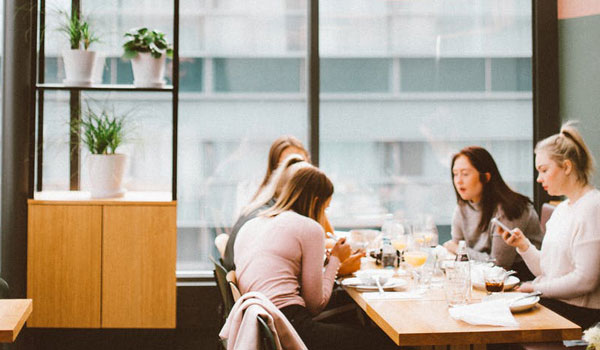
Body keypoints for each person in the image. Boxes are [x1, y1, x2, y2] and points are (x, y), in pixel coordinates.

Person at [234, 167, 396, 350]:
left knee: (354, 322)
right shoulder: (308, 227)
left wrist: (328, 263)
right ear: (316, 202)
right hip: (289, 326)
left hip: (261, 324)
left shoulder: (251, 225)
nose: (324, 216)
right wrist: (336, 258)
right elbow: (315, 305)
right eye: (325, 209)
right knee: (384, 341)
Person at [501, 123, 600, 329]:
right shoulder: (563, 209)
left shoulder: (593, 207)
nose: (539, 178)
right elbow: (548, 271)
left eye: (544, 170)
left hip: (580, 315)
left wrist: (536, 289)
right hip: (557, 305)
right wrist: (524, 246)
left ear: (567, 166)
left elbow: (585, 280)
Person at [223, 136, 363, 275]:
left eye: (300, 163)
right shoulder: (277, 218)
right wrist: (338, 268)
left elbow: (327, 238)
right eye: (287, 165)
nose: (297, 170)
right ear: (275, 172)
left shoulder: (272, 204)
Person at [444, 146, 543, 280]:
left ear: (485, 177)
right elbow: (455, 247)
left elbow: (500, 265)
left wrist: (459, 250)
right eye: (455, 174)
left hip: (517, 282)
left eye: (465, 174)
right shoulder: (463, 206)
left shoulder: (511, 209)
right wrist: (457, 249)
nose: (458, 180)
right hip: (482, 277)